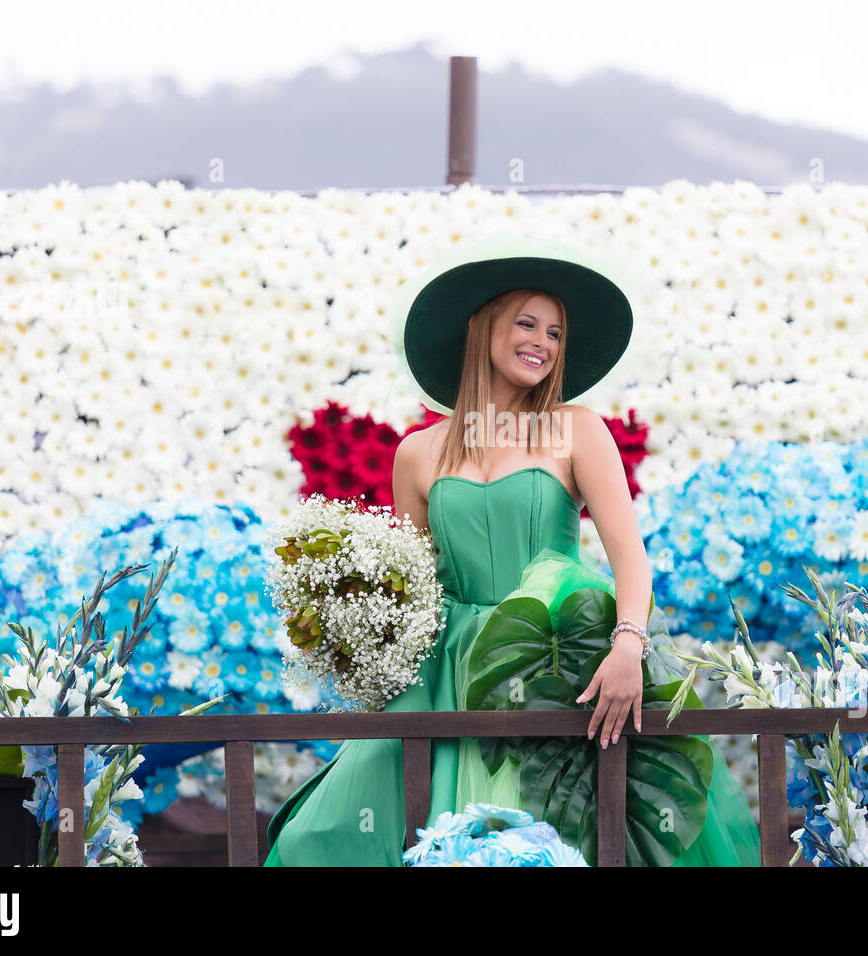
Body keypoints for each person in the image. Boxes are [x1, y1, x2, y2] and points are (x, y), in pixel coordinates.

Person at [263, 233, 762, 866]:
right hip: (445, 669)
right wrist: (350, 624)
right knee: (333, 831)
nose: (543, 343)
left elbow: (630, 557)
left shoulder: (578, 429)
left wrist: (628, 645)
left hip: (554, 656)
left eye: (555, 333)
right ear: (482, 329)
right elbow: (414, 586)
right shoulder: (415, 454)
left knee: (568, 830)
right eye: (527, 323)